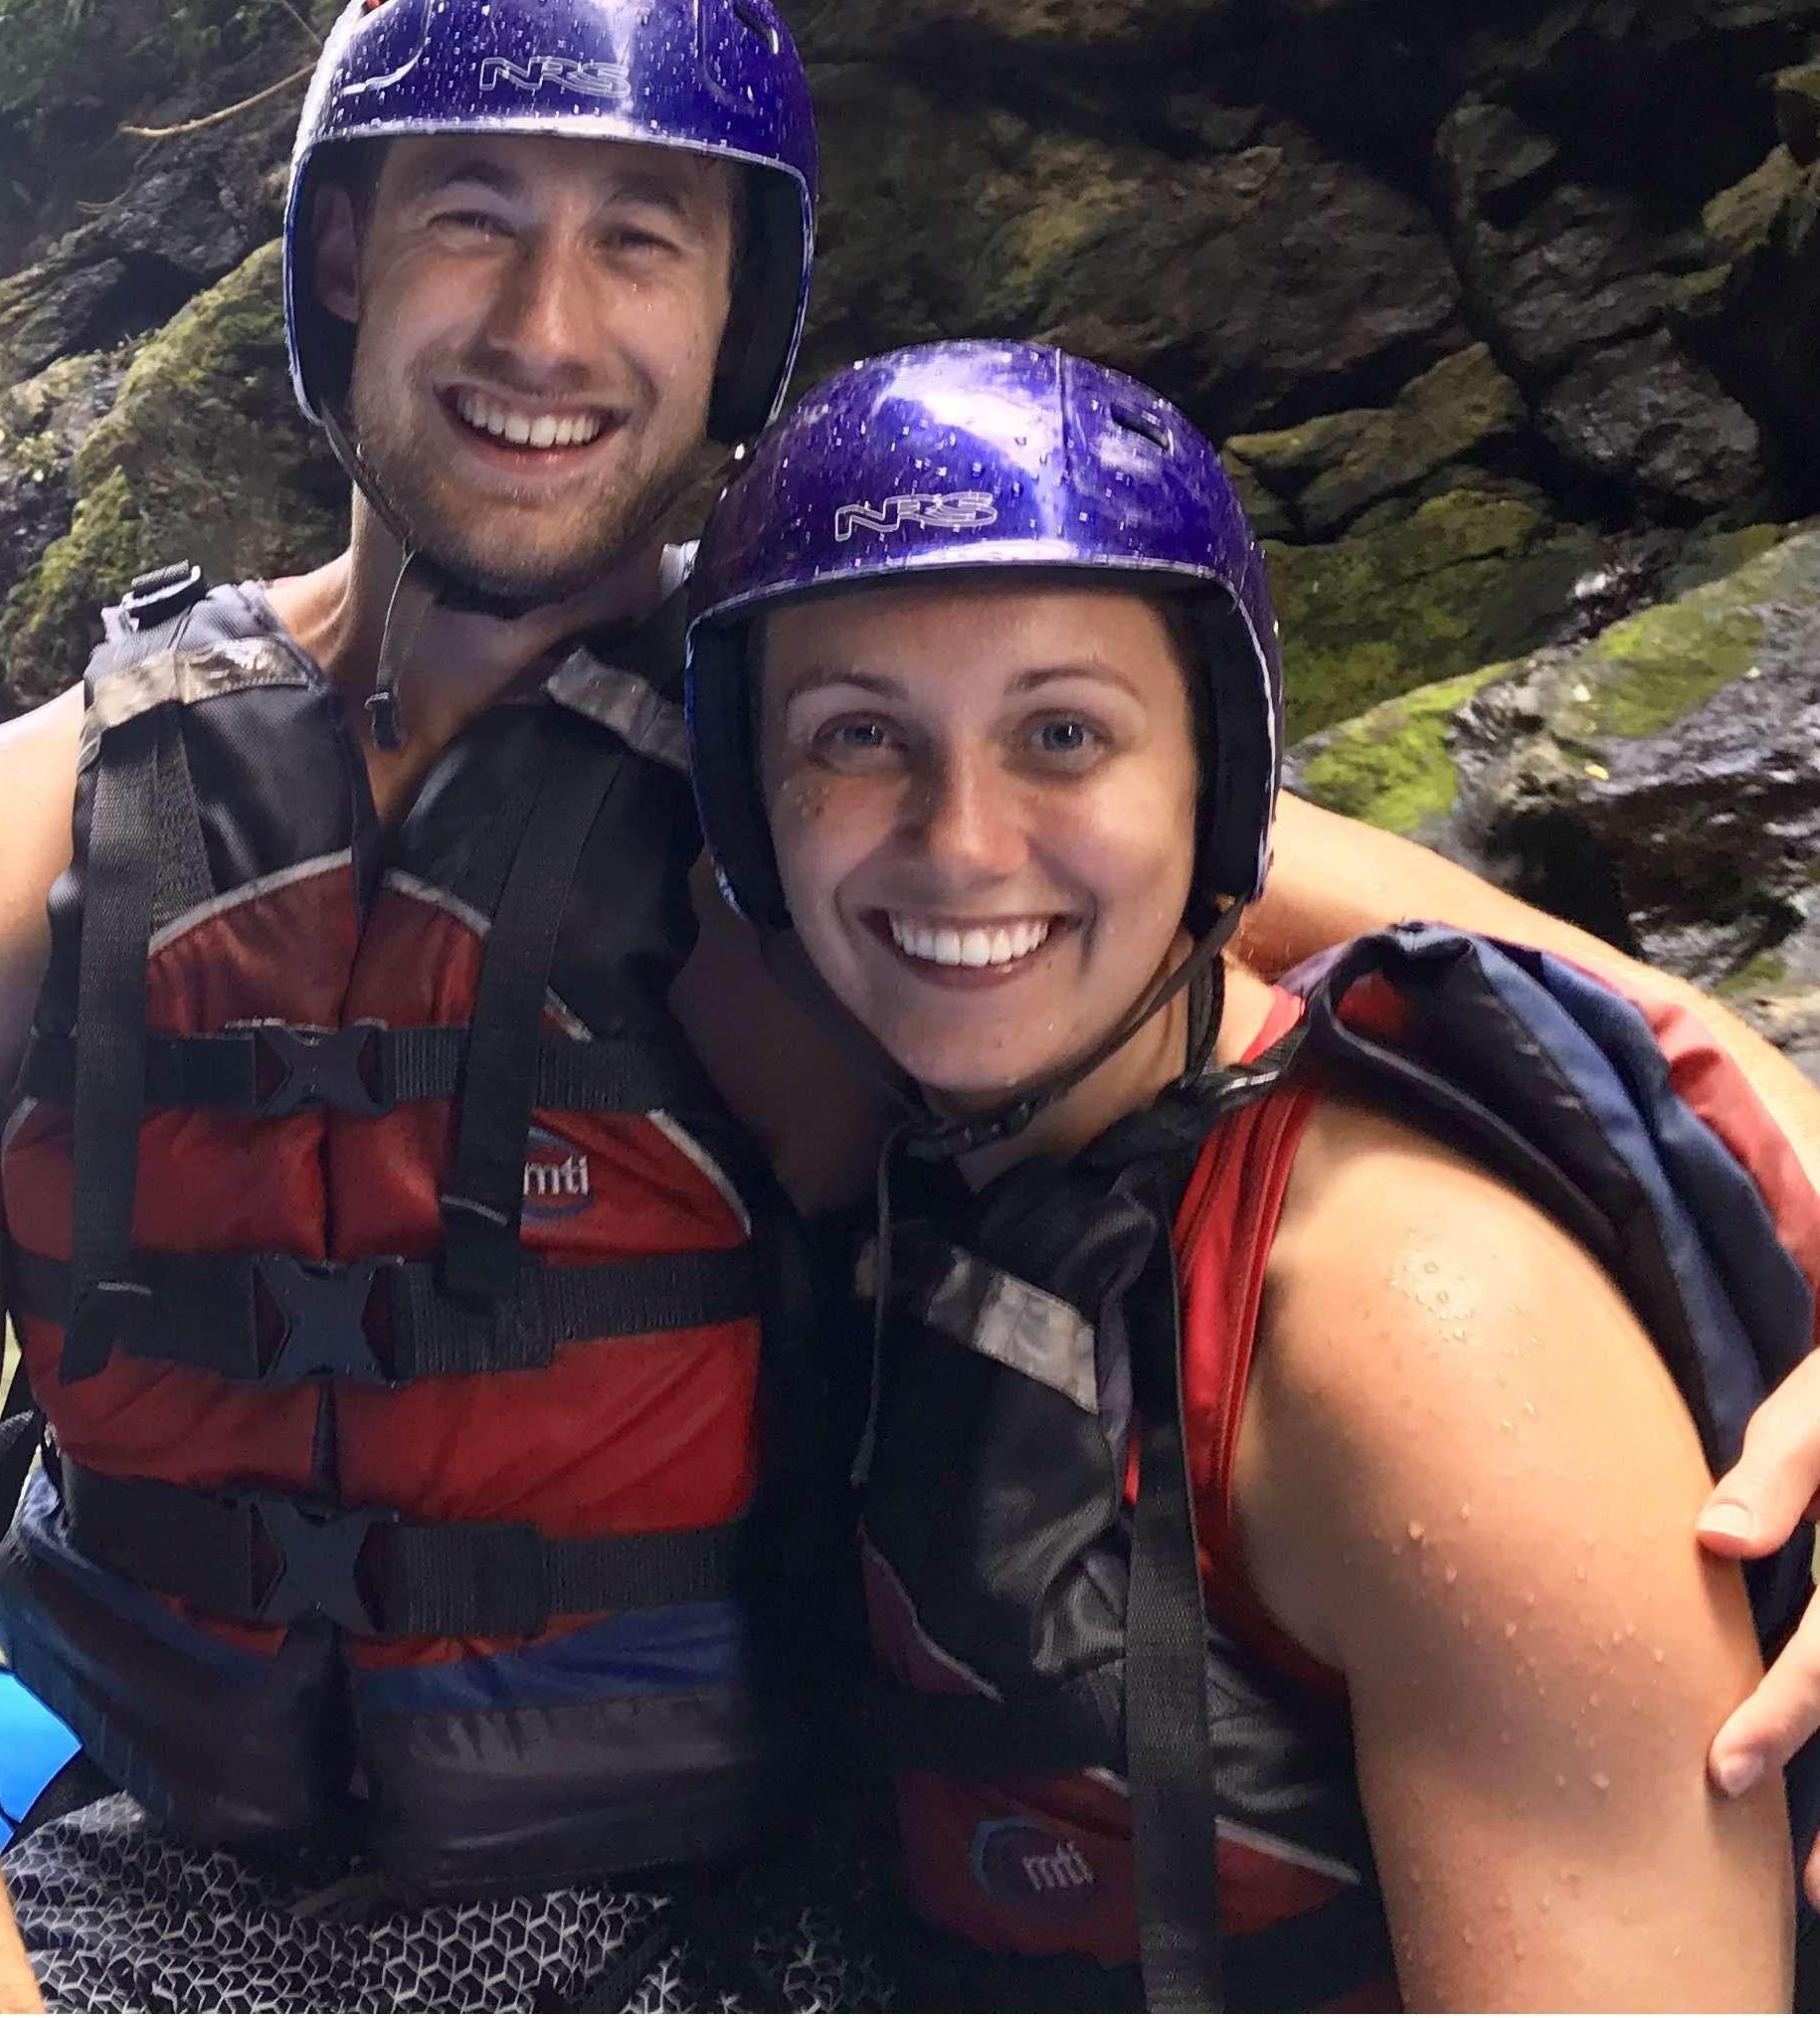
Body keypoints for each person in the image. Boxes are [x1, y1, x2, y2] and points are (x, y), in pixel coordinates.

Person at [0, 0, 1820, 2015]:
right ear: (339, 248)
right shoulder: (0, 840)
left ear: (736, 311)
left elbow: (1545, 1013)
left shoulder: (852, 789)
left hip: (696, 1935)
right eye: (470, 216)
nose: (545, 325)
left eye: (641, 239)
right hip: (142, 1883)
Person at [682, 339, 1819, 2010]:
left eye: (1063, 735)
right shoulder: (904, 1103)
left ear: (1217, 794)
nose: (963, 847)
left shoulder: (1426, 1335)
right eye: (861, 739)